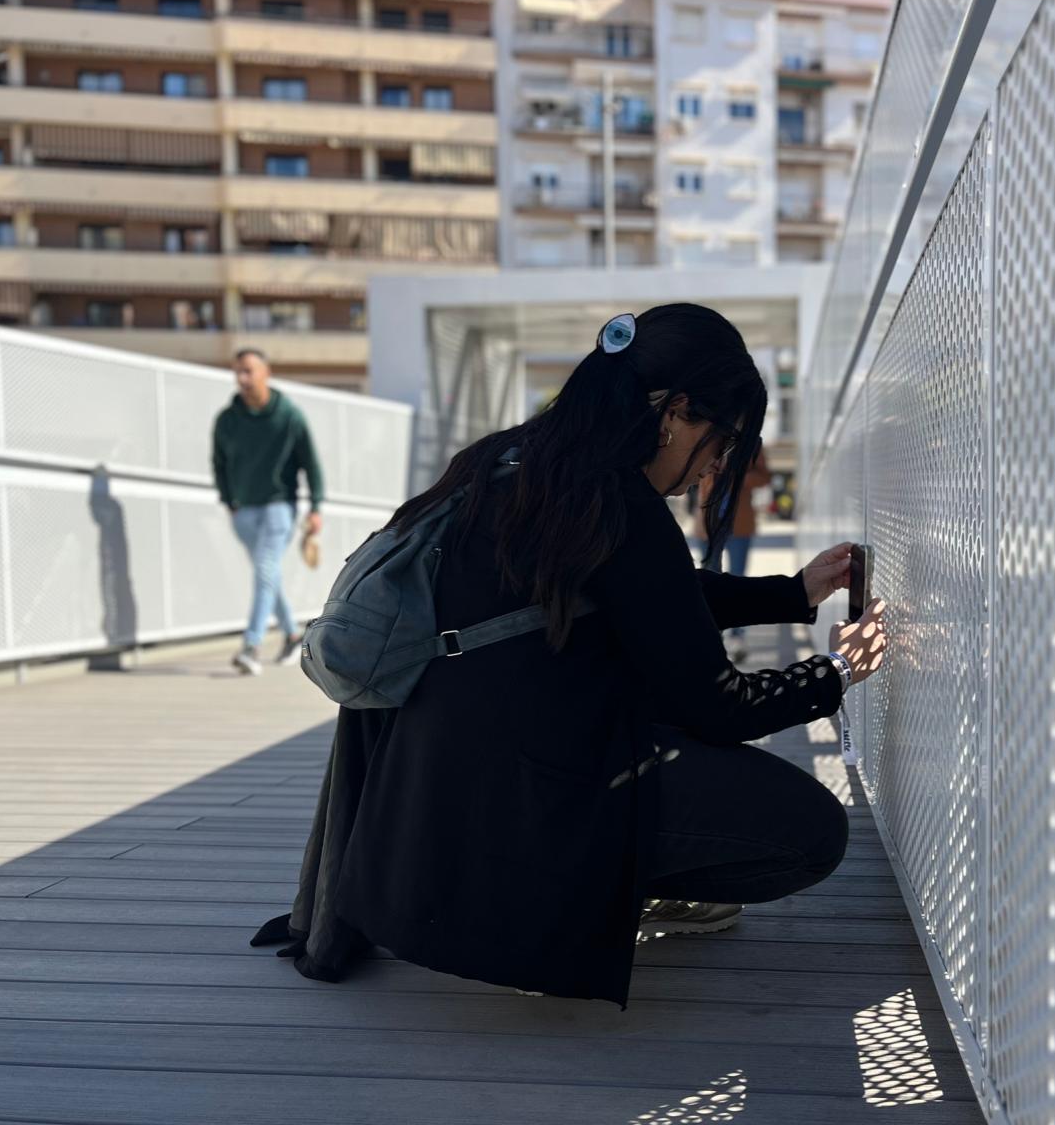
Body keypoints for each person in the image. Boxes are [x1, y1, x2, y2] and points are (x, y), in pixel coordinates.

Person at [250, 304, 887, 1006]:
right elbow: (717, 704)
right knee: (808, 832)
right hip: (525, 807)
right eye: (723, 439)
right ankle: (599, 894)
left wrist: (791, 592)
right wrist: (836, 672)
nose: (717, 466)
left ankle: (589, 883)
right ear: (675, 413)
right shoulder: (621, 505)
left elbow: (647, 595)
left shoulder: (508, 461)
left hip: (434, 801)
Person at [212, 347, 323, 676]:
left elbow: (311, 464)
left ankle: (251, 645)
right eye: (238, 372)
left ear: (266, 373)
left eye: (249, 371)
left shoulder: (289, 415)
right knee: (268, 576)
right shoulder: (227, 419)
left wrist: (316, 506)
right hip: (243, 510)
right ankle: (292, 635)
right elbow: (218, 463)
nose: (242, 378)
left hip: (280, 507)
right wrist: (228, 501)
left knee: (264, 571)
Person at [694, 440, 773, 660]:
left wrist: (737, 479)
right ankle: (712, 634)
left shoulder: (753, 442)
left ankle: (738, 636)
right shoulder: (708, 432)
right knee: (709, 578)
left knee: (737, 578)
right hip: (708, 524)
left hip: (739, 524)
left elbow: (765, 477)